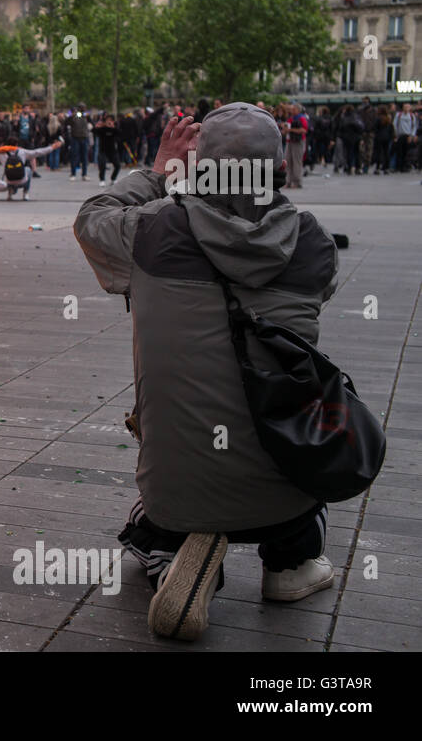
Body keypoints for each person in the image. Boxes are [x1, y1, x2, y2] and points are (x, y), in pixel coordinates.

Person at [72, 105, 338, 642]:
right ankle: (290, 567)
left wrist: (159, 172)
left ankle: (174, 553)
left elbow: (90, 219)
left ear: (199, 168)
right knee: (289, 406)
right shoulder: (313, 244)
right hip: (284, 488)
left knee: (177, 442)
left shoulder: (150, 230)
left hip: (176, 487)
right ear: (280, 168)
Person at [0, 136, 63, 201]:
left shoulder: (1, 154)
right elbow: (38, 152)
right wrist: (52, 147)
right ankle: (25, 193)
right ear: (16, 144)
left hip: (9, 181)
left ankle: (9, 193)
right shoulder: (22, 152)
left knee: (6, 172)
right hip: (21, 180)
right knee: (28, 170)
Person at [283, 101, 308, 189]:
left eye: (293, 109)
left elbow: (304, 130)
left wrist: (290, 130)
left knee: (296, 161)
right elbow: (285, 129)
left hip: (298, 141)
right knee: (288, 161)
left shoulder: (301, 118)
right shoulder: (291, 118)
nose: (292, 110)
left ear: (298, 110)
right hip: (289, 141)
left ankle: (297, 181)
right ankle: (288, 181)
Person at [93, 113, 121, 186]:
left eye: (111, 120)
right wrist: (97, 126)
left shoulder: (114, 129)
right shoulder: (102, 129)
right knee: (102, 165)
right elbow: (94, 131)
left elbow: (119, 133)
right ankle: (102, 180)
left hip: (112, 150)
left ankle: (113, 178)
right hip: (103, 150)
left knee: (118, 165)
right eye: (108, 121)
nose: (109, 122)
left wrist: (113, 126)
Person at [68, 104, 91, 181]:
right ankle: (73, 173)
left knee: (84, 157)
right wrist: (73, 115)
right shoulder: (74, 115)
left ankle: (84, 174)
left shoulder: (85, 116)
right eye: (83, 108)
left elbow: (91, 123)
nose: (84, 109)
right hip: (75, 138)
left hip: (84, 138)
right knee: (74, 156)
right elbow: (69, 122)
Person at [393, 103, 417, 173]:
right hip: (400, 135)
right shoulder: (399, 115)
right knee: (399, 152)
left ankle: (405, 166)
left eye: (408, 107)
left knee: (406, 152)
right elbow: (395, 124)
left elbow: (414, 126)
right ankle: (398, 167)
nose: (406, 108)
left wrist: (412, 135)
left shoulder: (412, 116)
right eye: (405, 107)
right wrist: (395, 135)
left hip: (408, 135)